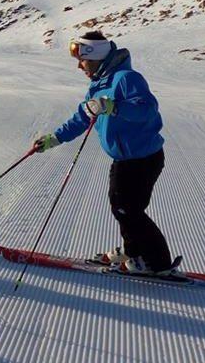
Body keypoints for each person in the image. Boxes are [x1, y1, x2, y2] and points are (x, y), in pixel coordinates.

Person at [31, 30, 172, 275]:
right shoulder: (98, 86)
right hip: (124, 159)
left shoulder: (127, 79)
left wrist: (114, 107)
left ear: (95, 57)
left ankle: (157, 263)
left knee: (128, 209)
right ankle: (133, 250)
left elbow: (147, 110)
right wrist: (54, 139)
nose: (79, 66)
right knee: (121, 207)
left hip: (143, 159)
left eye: (82, 60)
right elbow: (81, 118)